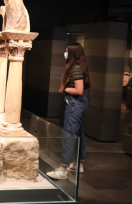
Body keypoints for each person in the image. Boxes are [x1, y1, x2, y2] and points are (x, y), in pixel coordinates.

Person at [47, 43, 91, 180]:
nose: (64, 52)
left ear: (72, 53)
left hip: (74, 104)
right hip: (77, 104)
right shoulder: (77, 67)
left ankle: (63, 169)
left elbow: (78, 90)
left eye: (66, 51)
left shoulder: (76, 69)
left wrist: (64, 89)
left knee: (69, 136)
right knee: (78, 135)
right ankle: (78, 163)